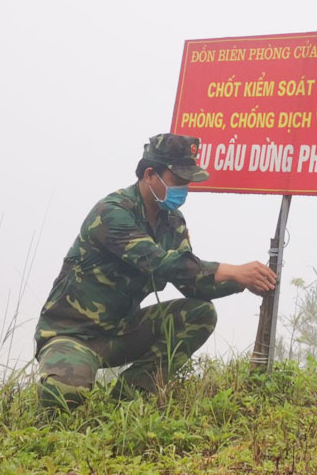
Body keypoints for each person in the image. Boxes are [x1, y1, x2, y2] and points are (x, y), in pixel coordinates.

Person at [34, 133, 276, 409]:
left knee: (200, 313)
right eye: (178, 181)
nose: (184, 189)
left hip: (119, 332)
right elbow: (159, 261)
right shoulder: (112, 213)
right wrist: (232, 271)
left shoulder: (172, 223)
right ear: (150, 174)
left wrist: (245, 280)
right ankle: (68, 386)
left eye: (187, 183)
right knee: (64, 401)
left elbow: (191, 284)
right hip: (72, 334)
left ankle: (128, 397)